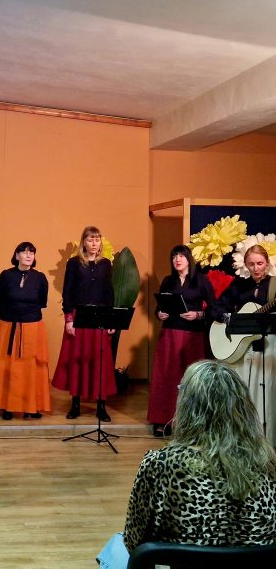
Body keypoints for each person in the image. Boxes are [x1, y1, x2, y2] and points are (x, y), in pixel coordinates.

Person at [97, 360, 276, 568]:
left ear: (187, 406)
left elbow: (133, 543)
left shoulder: (160, 465)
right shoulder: (268, 462)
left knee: (115, 545)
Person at [209, 243, 276, 445]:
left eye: (260, 263)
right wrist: (228, 317)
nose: (256, 268)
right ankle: (239, 439)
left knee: (265, 393)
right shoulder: (239, 285)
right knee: (241, 392)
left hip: (267, 347)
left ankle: (265, 439)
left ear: (267, 263)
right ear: (246, 265)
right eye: (251, 264)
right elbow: (215, 307)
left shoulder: (274, 285)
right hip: (240, 349)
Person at [147, 245, 215, 437]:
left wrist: (199, 314)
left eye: (181, 256)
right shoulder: (168, 281)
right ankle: (163, 420)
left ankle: (193, 423)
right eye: (174, 256)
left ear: (188, 259)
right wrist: (159, 314)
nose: (177, 259)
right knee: (166, 377)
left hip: (193, 335)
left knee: (193, 379)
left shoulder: (201, 280)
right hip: (170, 333)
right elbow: (160, 307)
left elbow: (214, 307)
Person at [52, 225, 115, 421]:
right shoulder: (74, 263)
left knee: (100, 361)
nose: (94, 243)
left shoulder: (106, 264)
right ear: (83, 242)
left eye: (97, 239)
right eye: (90, 239)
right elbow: (67, 291)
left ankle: (101, 406)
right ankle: (76, 404)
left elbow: (109, 293)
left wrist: (110, 319)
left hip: (100, 316)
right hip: (79, 316)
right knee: (77, 359)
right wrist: (69, 319)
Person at [0, 242, 51, 420]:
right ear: (16, 256)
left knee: (31, 367)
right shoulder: (6, 275)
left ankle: (32, 407)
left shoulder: (40, 278)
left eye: (32, 252)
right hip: (8, 326)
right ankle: (7, 407)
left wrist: (26, 314)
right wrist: (10, 313)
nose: (29, 255)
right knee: (8, 366)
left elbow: (42, 302)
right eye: (24, 252)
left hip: (32, 327)